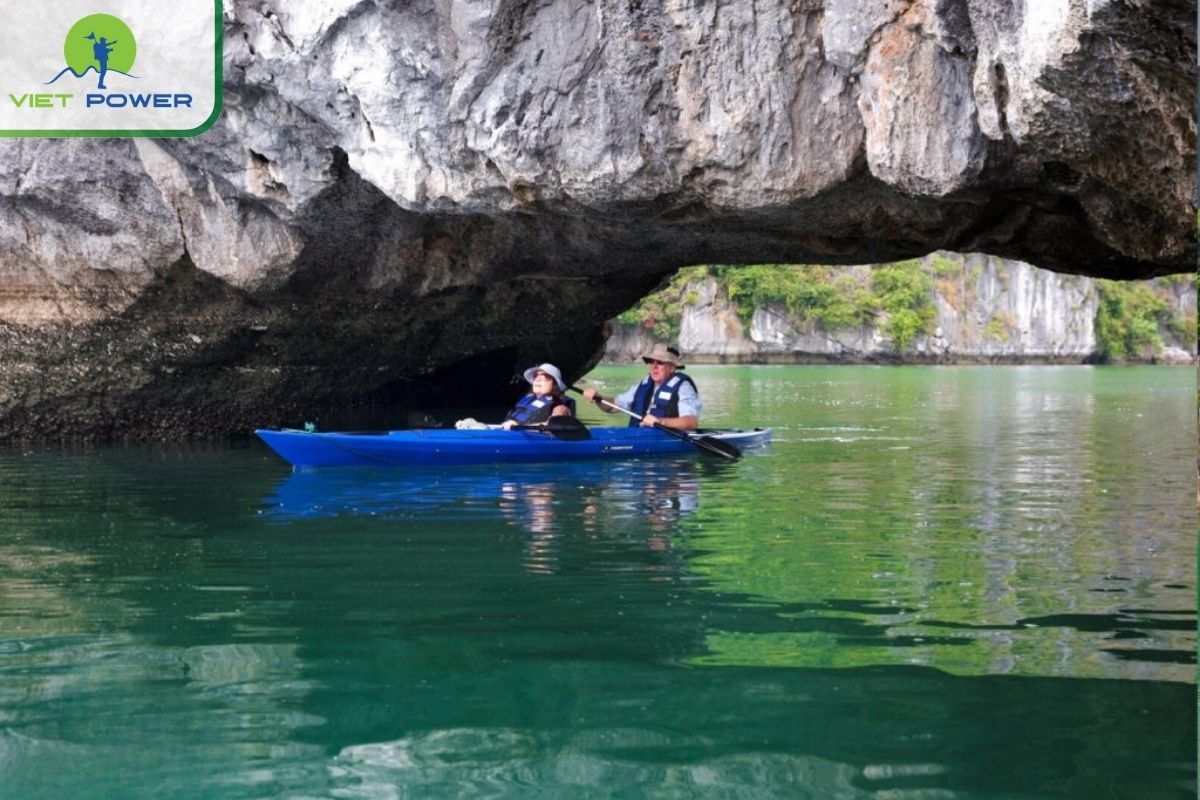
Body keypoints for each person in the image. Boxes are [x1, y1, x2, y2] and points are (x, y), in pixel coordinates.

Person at [583, 344, 701, 430]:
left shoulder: (683, 387)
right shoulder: (644, 384)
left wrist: (660, 421)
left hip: (665, 441)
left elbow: (691, 423)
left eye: (660, 362)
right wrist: (598, 398)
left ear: (672, 368)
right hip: (638, 435)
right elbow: (613, 406)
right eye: (652, 361)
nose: (654, 366)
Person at [500, 363, 576, 429]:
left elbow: (553, 425)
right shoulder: (529, 399)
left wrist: (519, 426)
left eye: (545, 376)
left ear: (554, 384)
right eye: (535, 376)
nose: (538, 379)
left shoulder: (560, 406)